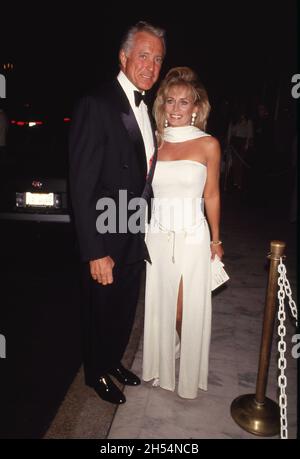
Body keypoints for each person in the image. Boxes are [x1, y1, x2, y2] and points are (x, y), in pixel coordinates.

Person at [69, 21, 166, 405]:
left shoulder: (148, 107)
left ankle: (112, 361)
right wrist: (94, 250)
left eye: (158, 59)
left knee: (124, 307)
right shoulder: (97, 103)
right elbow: (81, 184)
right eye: (143, 55)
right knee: (100, 309)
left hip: (133, 229)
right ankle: (96, 372)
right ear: (124, 57)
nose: (151, 66)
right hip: (106, 232)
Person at [142, 67, 224, 399]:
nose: (176, 108)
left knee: (183, 310)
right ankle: (163, 360)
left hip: (192, 235)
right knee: (161, 305)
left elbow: (213, 194)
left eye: (184, 102)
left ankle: (185, 367)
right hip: (158, 236)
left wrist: (216, 240)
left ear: (196, 106)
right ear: (162, 105)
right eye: (170, 101)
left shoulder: (208, 144)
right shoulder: (154, 142)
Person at [227, 105, 253, 190]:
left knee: (240, 164)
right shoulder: (234, 121)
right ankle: (235, 182)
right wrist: (228, 142)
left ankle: (240, 183)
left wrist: (247, 145)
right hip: (234, 143)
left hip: (242, 143)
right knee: (234, 164)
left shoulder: (248, 121)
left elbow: (249, 134)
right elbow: (230, 132)